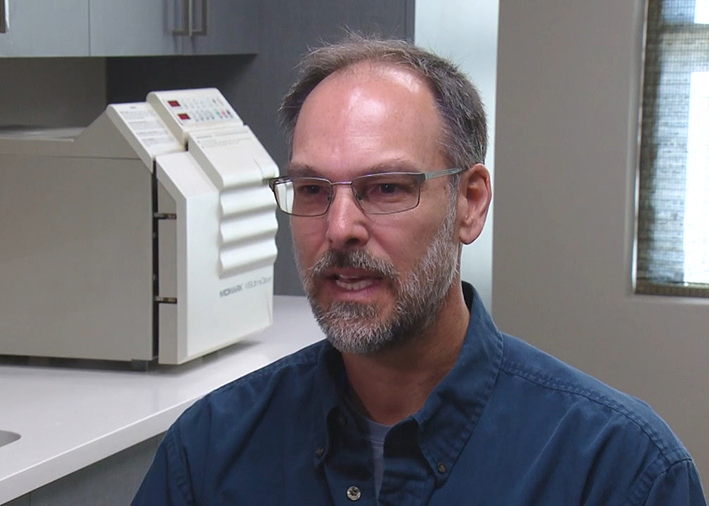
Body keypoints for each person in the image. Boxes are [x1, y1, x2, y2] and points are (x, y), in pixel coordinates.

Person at [133, 35, 706, 505]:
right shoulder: (210, 452)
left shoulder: (619, 472)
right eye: (311, 189)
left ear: (469, 203)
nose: (339, 227)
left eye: (385, 188)